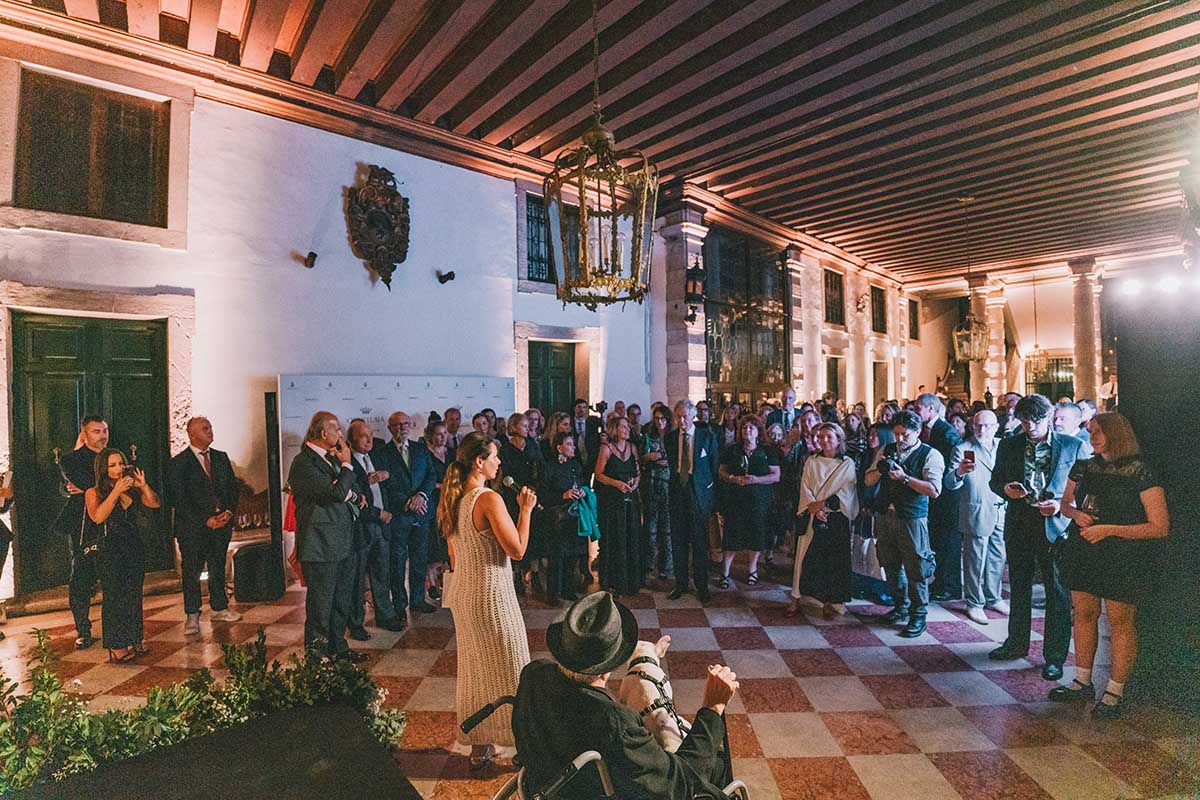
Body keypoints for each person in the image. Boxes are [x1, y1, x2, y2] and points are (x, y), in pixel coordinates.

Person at [512, 591, 738, 800]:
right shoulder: (614, 720)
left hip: (547, 786)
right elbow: (679, 783)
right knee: (717, 765)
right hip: (597, 793)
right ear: (610, 662)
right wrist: (713, 708)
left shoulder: (534, 674)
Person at [1051, 413, 1169, 718]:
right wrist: (1075, 515)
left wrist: (1110, 529)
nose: (1093, 436)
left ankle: (1115, 690)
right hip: (1086, 547)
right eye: (1091, 431)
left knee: (1119, 621)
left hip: (1123, 554)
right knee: (1084, 614)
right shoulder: (1084, 466)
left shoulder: (1140, 471)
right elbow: (1065, 503)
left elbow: (1159, 526)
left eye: (1100, 431)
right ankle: (1082, 680)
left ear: (1117, 433)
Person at [437, 432, 536, 769]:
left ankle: (481, 748)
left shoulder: (454, 500)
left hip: (465, 596)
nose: (499, 462)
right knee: (513, 669)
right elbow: (518, 549)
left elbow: (454, 556)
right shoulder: (488, 499)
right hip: (492, 597)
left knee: (475, 670)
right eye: (494, 456)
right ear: (479, 462)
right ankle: (524, 746)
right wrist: (526, 510)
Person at [988, 393, 1086, 681]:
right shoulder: (1009, 445)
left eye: (1037, 420)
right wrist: (1005, 490)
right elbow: (995, 480)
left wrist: (1060, 505)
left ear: (1050, 418)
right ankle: (1016, 643)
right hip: (1019, 522)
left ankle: (1054, 657)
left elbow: (1085, 488)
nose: (1031, 426)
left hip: (1055, 526)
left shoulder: (1072, 445)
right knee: (1018, 587)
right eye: (1025, 420)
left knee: (1057, 592)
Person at [288, 411, 367, 662]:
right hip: (320, 544)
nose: (341, 435)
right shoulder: (303, 463)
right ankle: (317, 656)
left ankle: (338, 649)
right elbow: (332, 494)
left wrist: (356, 495)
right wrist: (346, 464)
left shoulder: (330, 459)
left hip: (344, 541)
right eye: (338, 430)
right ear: (324, 433)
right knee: (320, 606)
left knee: (341, 601)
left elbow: (347, 490)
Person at [864, 410, 944, 637]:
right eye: (896, 434)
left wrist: (905, 478)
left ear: (918, 432)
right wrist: (881, 470)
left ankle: (919, 615)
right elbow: (868, 479)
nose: (899, 439)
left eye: (904, 435)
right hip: (886, 515)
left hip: (913, 518)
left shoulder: (931, 455)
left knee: (916, 567)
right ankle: (900, 606)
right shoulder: (886, 450)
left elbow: (934, 490)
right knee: (889, 564)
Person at [86, 447, 161, 662]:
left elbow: (154, 503)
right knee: (115, 595)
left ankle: (135, 637)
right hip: (109, 549)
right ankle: (117, 645)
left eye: (120, 463)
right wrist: (116, 491)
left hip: (133, 545)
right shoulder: (94, 492)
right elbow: (98, 517)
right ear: (103, 468)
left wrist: (144, 486)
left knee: (133, 594)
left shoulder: (132, 488)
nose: (118, 468)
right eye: (112, 465)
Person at [169, 416, 241, 638]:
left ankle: (220, 607)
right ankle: (192, 614)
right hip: (193, 529)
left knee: (218, 566)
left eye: (210, 427)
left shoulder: (220, 457)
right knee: (192, 572)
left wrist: (228, 511)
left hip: (221, 525)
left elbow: (232, 488)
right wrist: (205, 520)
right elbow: (179, 498)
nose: (210, 431)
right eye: (205, 428)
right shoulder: (179, 463)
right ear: (192, 434)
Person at [943, 410, 1008, 625]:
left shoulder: (1003, 446)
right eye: (978, 425)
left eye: (987, 426)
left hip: (1001, 509)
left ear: (996, 427)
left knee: (998, 556)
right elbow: (949, 483)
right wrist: (960, 472)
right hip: (977, 508)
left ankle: (993, 597)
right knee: (975, 559)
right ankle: (974, 602)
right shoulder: (963, 448)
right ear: (972, 426)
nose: (982, 430)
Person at [790, 422, 858, 618]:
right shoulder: (811, 461)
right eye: (820, 437)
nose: (824, 440)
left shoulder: (847, 464)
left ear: (838, 440)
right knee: (803, 556)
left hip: (835, 517)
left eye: (829, 437)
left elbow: (847, 491)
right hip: (811, 515)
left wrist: (823, 507)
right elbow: (805, 486)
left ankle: (829, 601)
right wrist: (812, 506)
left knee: (833, 561)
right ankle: (796, 597)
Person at [374, 411, 437, 616]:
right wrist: (408, 502)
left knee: (420, 559)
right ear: (390, 428)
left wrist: (421, 496)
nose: (402, 428)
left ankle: (418, 599)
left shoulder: (420, 449)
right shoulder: (382, 452)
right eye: (397, 425)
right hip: (399, 514)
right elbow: (385, 485)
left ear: (411, 426)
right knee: (398, 561)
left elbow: (431, 475)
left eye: (405, 424)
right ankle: (400, 605)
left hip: (422, 513)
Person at [60, 416, 110, 649]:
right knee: (81, 577)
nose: (102, 435)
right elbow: (76, 482)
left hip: (111, 522)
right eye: (96, 431)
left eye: (104, 430)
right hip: (82, 524)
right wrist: (96, 486)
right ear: (84, 434)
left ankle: (115, 629)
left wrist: (89, 488)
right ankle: (83, 629)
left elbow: (121, 482)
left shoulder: (114, 457)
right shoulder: (70, 459)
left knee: (112, 575)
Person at [664, 400, 719, 602]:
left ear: (693, 416)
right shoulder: (670, 438)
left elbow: (714, 468)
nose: (682, 420)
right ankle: (680, 584)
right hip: (678, 491)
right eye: (678, 416)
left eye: (685, 416)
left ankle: (702, 586)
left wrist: (711, 498)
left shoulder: (707, 437)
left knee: (699, 542)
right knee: (678, 540)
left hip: (699, 495)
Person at [717, 415, 779, 589]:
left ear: (758, 430)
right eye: (744, 427)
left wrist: (756, 480)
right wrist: (733, 478)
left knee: (756, 534)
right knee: (732, 535)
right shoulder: (732, 450)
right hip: (736, 499)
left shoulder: (767, 451)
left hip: (759, 500)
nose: (747, 430)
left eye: (751, 427)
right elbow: (721, 471)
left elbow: (776, 475)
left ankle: (752, 569)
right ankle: (725, 572)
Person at [346, 420, 394, 640]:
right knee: (357, 580)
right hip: (362, 528)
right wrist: (378, 514)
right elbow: (353, 500)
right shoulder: (347, 464)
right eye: (363, 436)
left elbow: (389, 484)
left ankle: (385, 616)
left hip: (382, 527)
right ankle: (356, 624)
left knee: (382, 573)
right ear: (352, 439)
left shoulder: (377, 456)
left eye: (371, 435)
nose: (368, 440)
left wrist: (386, 475)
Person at [913, 393, 963, 602]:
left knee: (948, 542)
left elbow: (953, 460)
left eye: (918, 409)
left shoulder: (946, 432)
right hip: (934, 496)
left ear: (930, 409)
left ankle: (950, 585)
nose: (916, 413)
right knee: (938, 541)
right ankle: (940, 581)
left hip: (947, 497)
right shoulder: (928, 430)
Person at [594, 415, 642, 596]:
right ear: (615, 429)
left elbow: (637, 472)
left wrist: (634, 484)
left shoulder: (633, 448)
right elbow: (598, 474)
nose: (627, 429)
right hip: (612, 500)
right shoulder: (606, 449)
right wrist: (617, 484)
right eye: (623, 427)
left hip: (630, 500)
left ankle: (631, 581)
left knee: (631, 535)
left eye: (628, 426)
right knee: (615, 537)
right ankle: (613, 581)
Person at [501, 412, 546, 596]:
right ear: (513, 427)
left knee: (533, 535)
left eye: (529, 426)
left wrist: (534, 488)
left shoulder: (533, 445)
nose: (528, 429)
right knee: (515, 534)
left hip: (531, 495)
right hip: (512, 497)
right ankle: (518, 574)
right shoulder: (505, 449)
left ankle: (534, 574)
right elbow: (504, 474)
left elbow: (541, 468)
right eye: (524, 426)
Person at [539, 431, 587, 605]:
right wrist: (563, 495)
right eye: (569, 444)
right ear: (559, 447)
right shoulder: (549, 466)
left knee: (572, 555)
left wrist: (582, 491)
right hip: (557, 517)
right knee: (557, 556)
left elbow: (581, 483)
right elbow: (543, 494)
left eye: (573, 444)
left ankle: (568, 589)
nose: (573, 447)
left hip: (574, 515)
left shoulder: (576, 465)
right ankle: (553, 593)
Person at [852, 423, 895, 605]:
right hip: (863, 509)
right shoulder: (865, 457)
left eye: (875, 435)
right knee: (860, 548)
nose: (871, 438)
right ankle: (861, 584)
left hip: (878, 510)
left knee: (875, 552)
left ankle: (881, 589)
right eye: (869, 435)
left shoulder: (888, 460)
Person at [417, 419, 451, 603]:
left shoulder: (451, 453)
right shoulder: (424, 454)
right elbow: (423, 479)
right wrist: (440, 485)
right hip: (431, 503)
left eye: (445, 433)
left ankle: (445, 582)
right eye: (439, 434)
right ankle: (430, 583)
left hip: (448, 504)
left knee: (446, 545)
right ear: (430, 436)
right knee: (432, 545)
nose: (442, 437)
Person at [640, 406, 673, 581]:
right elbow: (639, 458)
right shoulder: (647, 437)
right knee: (650, 528)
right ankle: (648, 564)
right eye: (657, 418)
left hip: (668, 486)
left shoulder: (673, 437)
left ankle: (666, 566)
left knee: (666, 529)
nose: (659, 422)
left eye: (663, 419)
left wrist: (665, 460)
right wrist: (648, 457)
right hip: (651, 485)